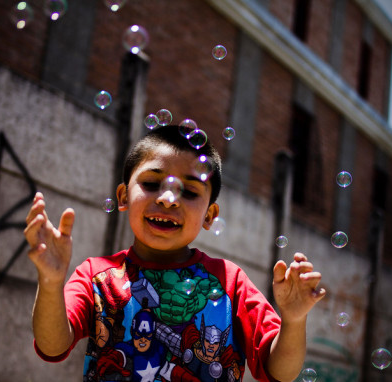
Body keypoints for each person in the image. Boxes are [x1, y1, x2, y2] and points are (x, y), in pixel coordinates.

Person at [24, 125, 326, 382]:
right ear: (123, 196)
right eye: (153, 184)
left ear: (209, 215)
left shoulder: (230, 282)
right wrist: (50, 282)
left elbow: (281, 372)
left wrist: (294, 321)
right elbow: (52, 345)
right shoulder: (96, 275)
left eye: (190, 192)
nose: (168, 199)